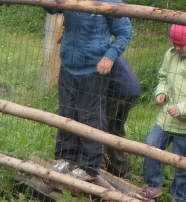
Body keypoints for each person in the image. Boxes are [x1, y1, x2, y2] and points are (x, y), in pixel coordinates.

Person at [48, 1, 133, 182]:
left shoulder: (111, 2)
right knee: (66, 113)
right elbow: (51, 7)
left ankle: (88, 167)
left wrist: (109, 56)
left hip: (93, 67)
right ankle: (65, 157)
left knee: (90, 117)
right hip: (69, 63)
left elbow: (124, 32)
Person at [138, 24, 186, 202]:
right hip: (165, 118)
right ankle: (154, 185)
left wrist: (183, 109)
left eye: (181, 44)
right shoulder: (170, 54)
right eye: (174, 43)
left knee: (184, 164)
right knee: (151, 146)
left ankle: (179, 201)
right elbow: (163, 77)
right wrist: (160, 92)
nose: (177, 48)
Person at [104, 55, 141, 178]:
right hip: (132, 89)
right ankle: (121, 168)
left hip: (117, 91)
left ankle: (96, 166)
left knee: (100, 127)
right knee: (115, 128)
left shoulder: (97, 44)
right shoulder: (110, 45)